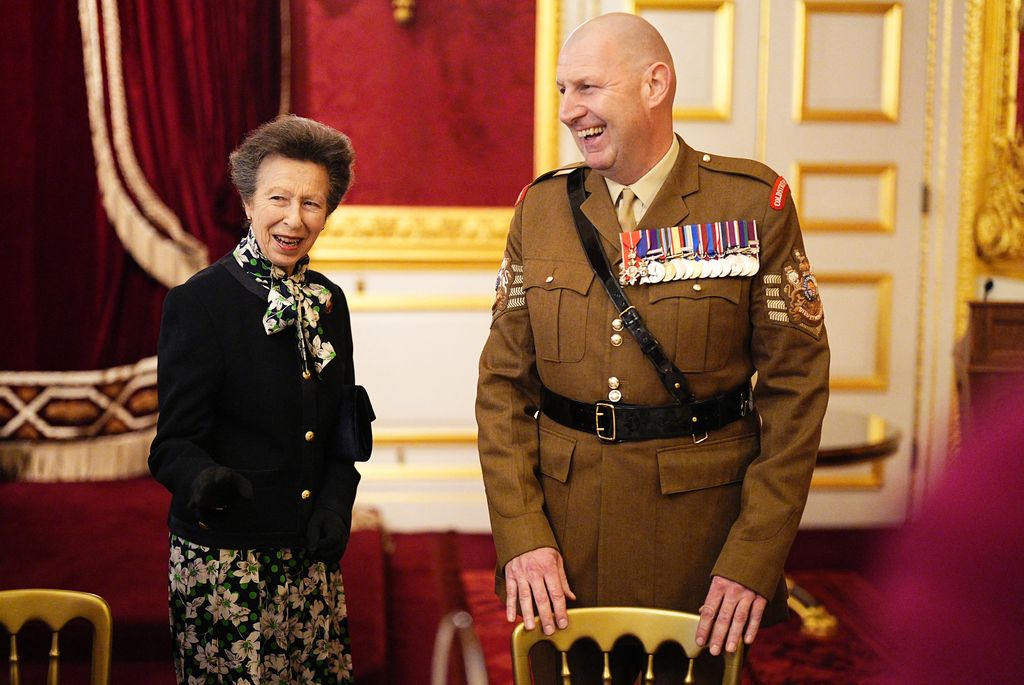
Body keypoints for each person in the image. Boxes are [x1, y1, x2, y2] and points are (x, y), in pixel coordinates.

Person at [476, 13, 829, 683]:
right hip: (565, 545)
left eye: (585, 87)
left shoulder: (753, 204)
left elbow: (795, 393)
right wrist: (522, 536)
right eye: (560, 90)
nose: (567, 110)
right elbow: (501, 389)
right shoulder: (541, 209)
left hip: (697, 543)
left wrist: (753, 557)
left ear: (654, 83)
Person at [149, 114, 362, 684]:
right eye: (278, 198)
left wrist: (337, 503)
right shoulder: (199, 304)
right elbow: (172, 444)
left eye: (313, 204)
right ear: (247, 202)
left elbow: (345, 426)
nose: (295, 219)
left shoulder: (329, 302)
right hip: (225, 569)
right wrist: (204, 481)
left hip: (309, 562)